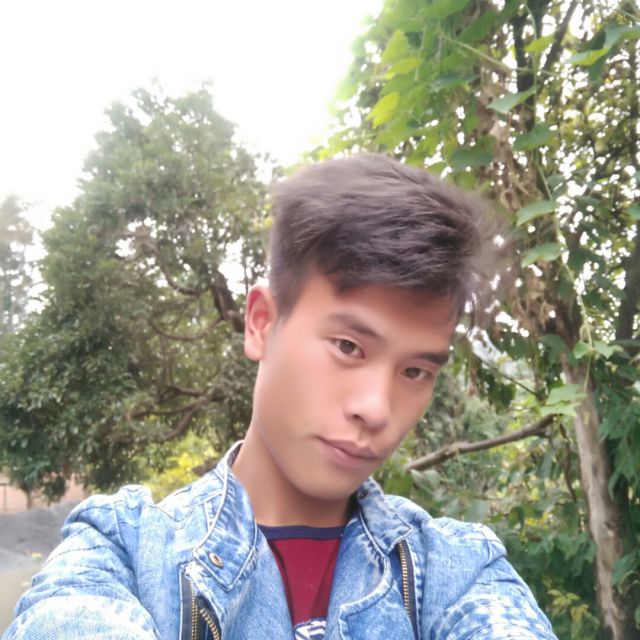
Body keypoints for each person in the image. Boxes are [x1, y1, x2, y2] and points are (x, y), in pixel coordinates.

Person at [3, 154, 557, 640]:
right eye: (348, 346)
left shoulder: (455, 572)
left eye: (415, 371)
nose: (377, 409)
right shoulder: (124, 555)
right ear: (262, 323)